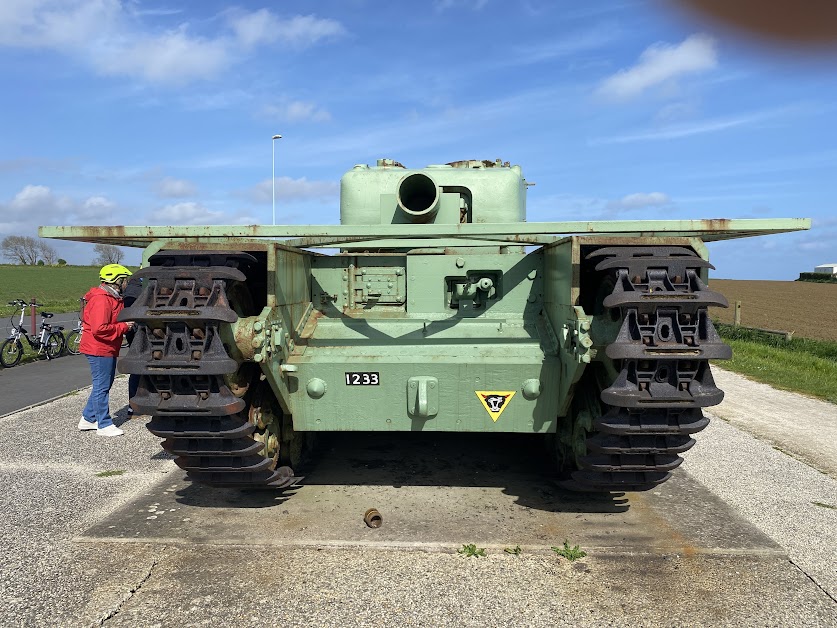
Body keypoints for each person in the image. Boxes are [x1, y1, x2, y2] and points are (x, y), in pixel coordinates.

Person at [77, 264, 136, 436]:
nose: (126, 283)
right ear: (117, 281)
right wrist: (123, 327)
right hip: (99, 348)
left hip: (105, 347)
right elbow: (99, 328)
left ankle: (88, 418)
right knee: (101, 386)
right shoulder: (102, 300)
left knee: (104, 384)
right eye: (125, 280)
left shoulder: (112, 298)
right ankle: (103, 424)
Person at [122, 271, 143, 418]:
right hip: (137, 333)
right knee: (138, 367)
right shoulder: (136, 291)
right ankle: (133, 407)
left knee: (138, 368)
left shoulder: (131, 289)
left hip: (134, 332)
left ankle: (134, 406)